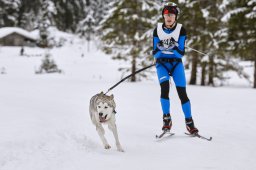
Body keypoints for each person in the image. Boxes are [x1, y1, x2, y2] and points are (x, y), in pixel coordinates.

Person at [153, 2, 199, 134]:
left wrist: (172, 46)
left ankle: (189, 122)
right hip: (161, 64)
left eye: (172, 15)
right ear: (163, 16)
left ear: (176, 17)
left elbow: (180, 53)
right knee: (164, 89)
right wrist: (161, 47)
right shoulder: (157, 30)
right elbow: (155, 53)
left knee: (182, 94)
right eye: (166, 14)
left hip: (176, 64)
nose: (169, 17)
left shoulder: (181, 30)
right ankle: (166, 120)